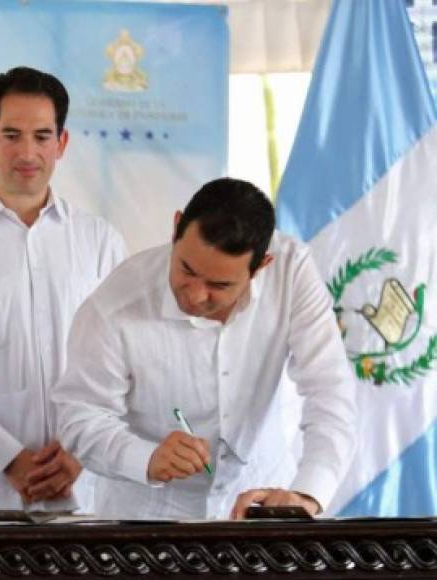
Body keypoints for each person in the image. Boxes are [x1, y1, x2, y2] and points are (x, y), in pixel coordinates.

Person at [53, 178, 356, 520]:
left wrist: (307, 494)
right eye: (187, 269)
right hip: (146, 521)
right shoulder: (115, 303)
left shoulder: (292, 272)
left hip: (262, 506)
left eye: (219, 285)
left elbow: (331, 393)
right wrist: (145, 457)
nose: (195, 295)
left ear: (261, 266)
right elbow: (79, 417)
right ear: (175, 227)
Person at [0, 67, 127, 518]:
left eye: (42, 136)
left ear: (61, 144)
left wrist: (82, 451)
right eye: (12, 135)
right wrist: (6, 456)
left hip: (88, 493)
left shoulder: (100, 241)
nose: (27, 152)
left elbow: (126, 363)